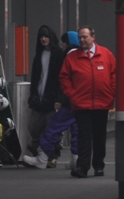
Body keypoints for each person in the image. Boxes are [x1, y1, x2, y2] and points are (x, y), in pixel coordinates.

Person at [59, 26, 115, 178]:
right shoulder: (72, 57)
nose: (82, 40)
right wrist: (72, 94)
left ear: (93, 36)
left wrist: (110, 93)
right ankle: (82, 167)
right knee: (84, 136)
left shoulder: (106, 54)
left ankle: (99, 166)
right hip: (81, 104)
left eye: (85, 37)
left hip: (102, 103)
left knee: (99, 136)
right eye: (80, 37)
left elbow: (114, 74)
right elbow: (64, 78)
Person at [22, 32, 80, 171]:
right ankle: (76, 159)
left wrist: (61, 100)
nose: (62, 45)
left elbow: (65, 81)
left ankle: (42, 158)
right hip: (82, 102)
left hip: (69, 102)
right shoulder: (82, 56)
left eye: (63, 42)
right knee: (76, 131)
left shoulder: (69, 57)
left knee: (52, 128)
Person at [26, 25, 65, 167]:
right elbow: (36, 76)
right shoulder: (39, 55)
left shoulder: (58, 54)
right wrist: (33, 95)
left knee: (50, 128)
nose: (43, 39)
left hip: (52, 97)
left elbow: (61, 77)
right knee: (34, 127)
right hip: (39, 97)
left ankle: (51, 156)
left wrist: (59, 97)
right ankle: (38, 153)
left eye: (46, 36)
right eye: (41, 36)